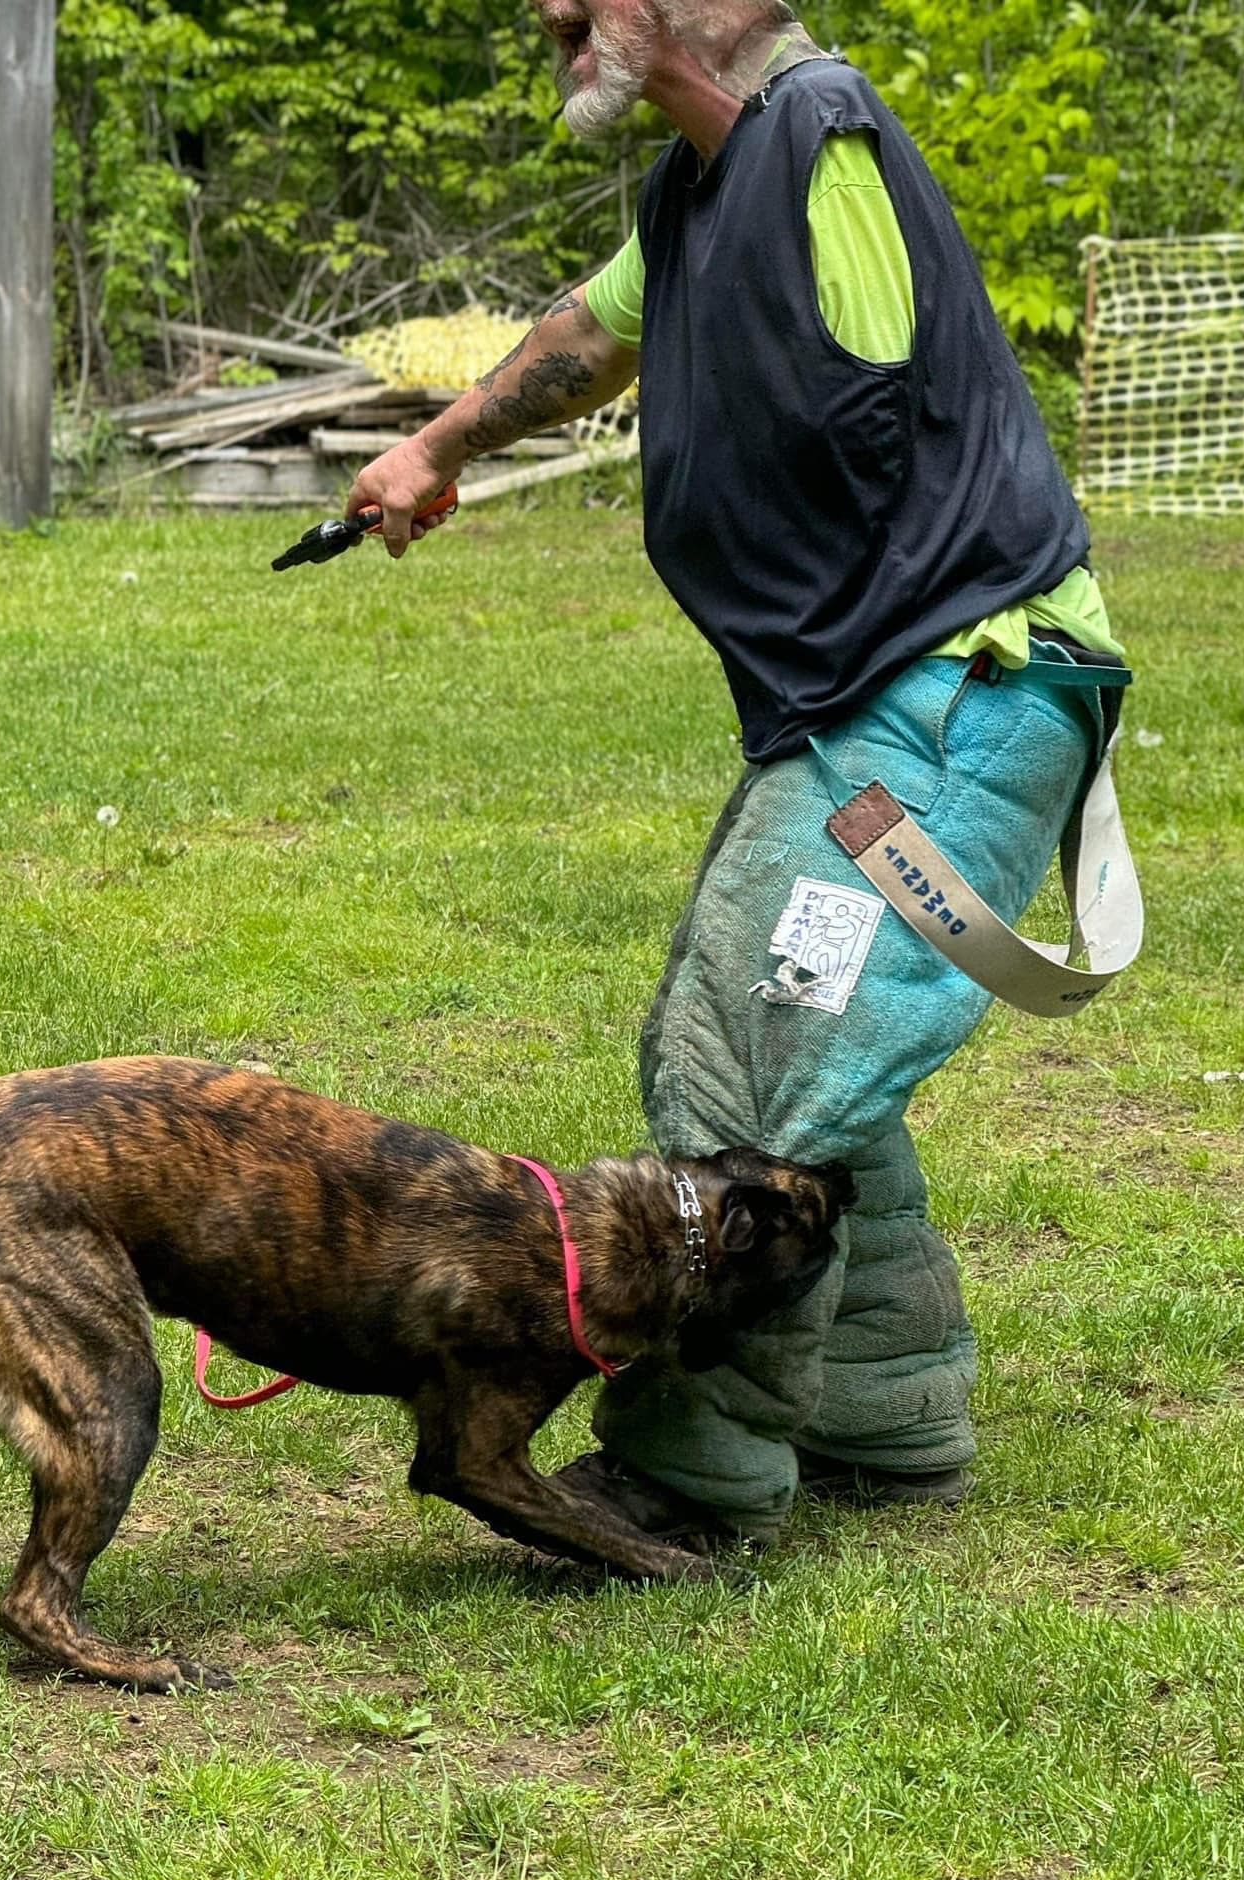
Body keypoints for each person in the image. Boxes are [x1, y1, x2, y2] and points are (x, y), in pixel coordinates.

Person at [348, 2, 1128, 1552]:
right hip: (874, 700)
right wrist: (439, 446)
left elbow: (867, 366)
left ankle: (693, 1472)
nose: (548, 15)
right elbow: (591, 331)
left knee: (753, 1071)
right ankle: (890, 1411)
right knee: (794, 1041)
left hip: (958, 688)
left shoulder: (816, 136)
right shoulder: (700, 188)